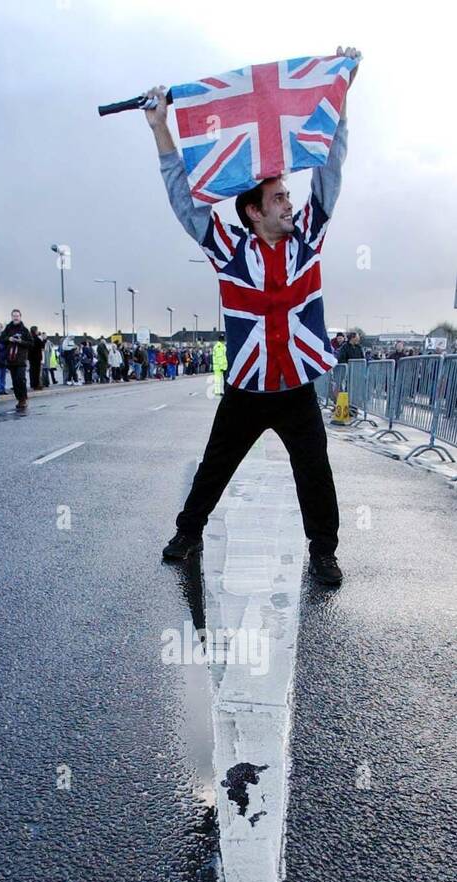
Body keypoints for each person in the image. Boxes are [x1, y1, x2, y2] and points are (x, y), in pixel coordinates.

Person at [146, 44, 361, 587]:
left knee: (315, 472)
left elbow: (330, 170)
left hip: (294, 389)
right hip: (245, 389)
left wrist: (341, 93)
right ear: (254, 210)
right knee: (215, 466)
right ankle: (187, 533)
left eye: (289, 194)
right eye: (280, 196)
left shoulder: (307, 237)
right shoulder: (227, 247)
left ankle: (324, 551)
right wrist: (160, 128)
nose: (290, 202)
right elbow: (183, 201)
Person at [2, 309, 32, 412]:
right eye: (14, 316)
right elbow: (2, 338)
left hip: (21, 358)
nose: (15, 317)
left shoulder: (24, 330)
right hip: (11, 359)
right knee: (15, 381)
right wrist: (9, 339)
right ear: (12, 317)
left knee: (20, 379)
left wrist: (21, 341)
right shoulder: (8, 328)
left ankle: (23, 399)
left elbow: (30, 343)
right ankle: (19, 399)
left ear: (20, 317)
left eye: (17, 316)